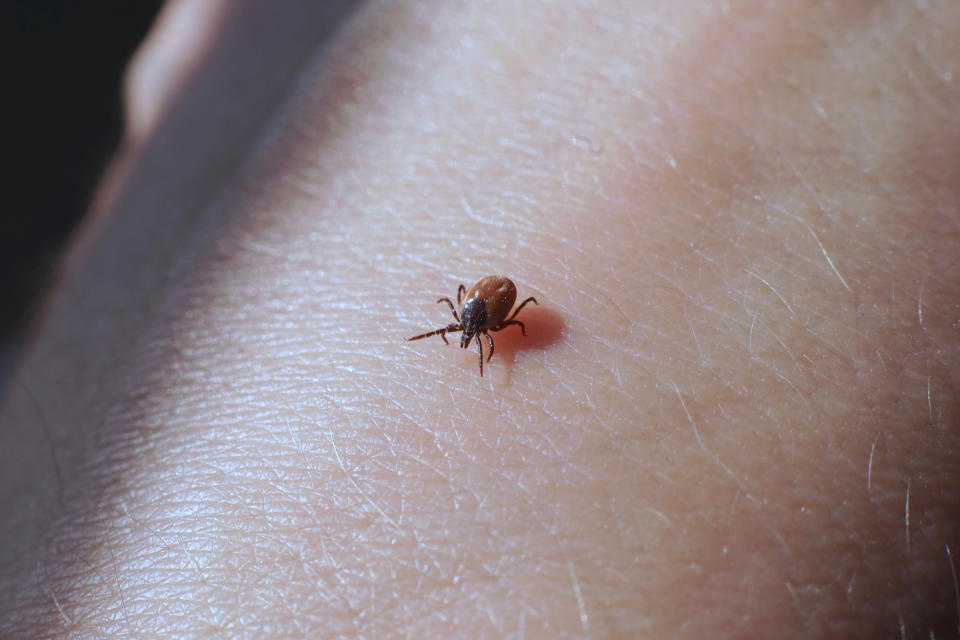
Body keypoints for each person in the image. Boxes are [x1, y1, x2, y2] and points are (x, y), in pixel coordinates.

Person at [2, 1, 958, 636]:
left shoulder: (500, 312)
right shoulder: (484, 313)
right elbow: (496, 300)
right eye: (471, 328)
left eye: (473, 328)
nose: (474, 333)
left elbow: (510, 297)